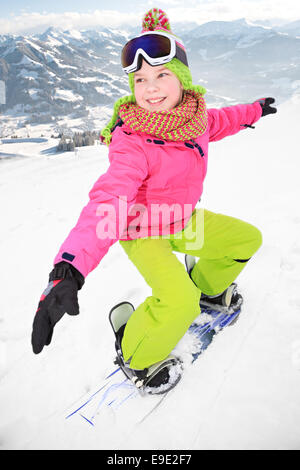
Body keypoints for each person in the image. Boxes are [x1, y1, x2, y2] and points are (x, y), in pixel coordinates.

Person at [31, 8, 277, 391]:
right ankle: (135, 353)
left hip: (182, 220)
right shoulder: (132, 142)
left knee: (245, 240)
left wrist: (255, 110)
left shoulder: (194, 119)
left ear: (181, 79)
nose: (150, 87)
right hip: (143, 232)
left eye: (161, 75)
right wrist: (69, 268)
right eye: (140, 79)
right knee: (179, 302)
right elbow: (109, 199)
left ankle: (209, 288)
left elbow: (224, 119)